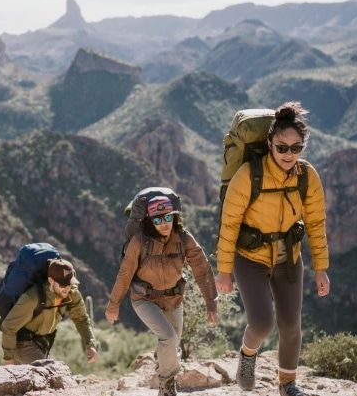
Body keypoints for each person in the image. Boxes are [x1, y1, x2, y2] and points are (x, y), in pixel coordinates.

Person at [215, 102, 330, 396]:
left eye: (296, 148)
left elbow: (316, 223)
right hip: (250, 258)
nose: (288, 154)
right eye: (281, 147)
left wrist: (321, 268)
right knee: (262, 323)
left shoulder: (307, 176)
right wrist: (224, 271)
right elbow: (229, 224)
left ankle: (287, 384)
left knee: (291, 325)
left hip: (288, 257)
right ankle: (247, 353)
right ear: (270, 144)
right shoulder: (248, 175)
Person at [105, 194, 218, 396]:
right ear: (150, 221)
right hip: (144, 299)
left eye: (168, 217)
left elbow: (202, 269)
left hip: (174, 299)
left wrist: (211, 302)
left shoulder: (184, 238)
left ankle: (166, 380)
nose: (164, 224)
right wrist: (113, 304)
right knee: (168, 337)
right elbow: (125, 273)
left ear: (175, 217)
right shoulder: (139, 241)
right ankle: (166, 386)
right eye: (158, 220)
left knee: (173, 343)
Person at [1, 258, 98, 365]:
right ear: (51, 281)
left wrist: (90, 344)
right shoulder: (33, 297)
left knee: (42, 372)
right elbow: (9, 326)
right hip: (23, 343)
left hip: (43, 343)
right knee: (47, 371)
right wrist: (8, 359)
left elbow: (81, 319)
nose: (67, 288)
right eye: (62, 284)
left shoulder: (72, 293)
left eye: (69, 283)